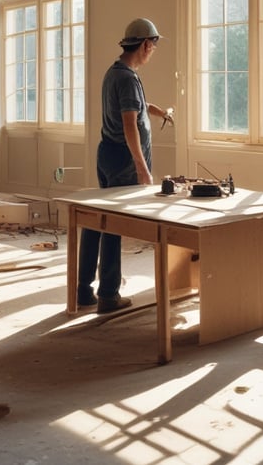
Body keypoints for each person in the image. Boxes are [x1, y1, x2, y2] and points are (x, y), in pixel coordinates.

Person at [77, 18, 174, 314]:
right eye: (153, 47)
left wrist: (160, 112)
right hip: (122, 160)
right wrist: (142, 168)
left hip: (107, 154)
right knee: (113, 226)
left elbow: (137, 106)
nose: (153, 52)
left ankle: (83, 289)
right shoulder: (128, 78)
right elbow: (130, 124)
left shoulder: (116, 72)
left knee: (97, 220)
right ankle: (108, 294)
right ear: (145, 44)